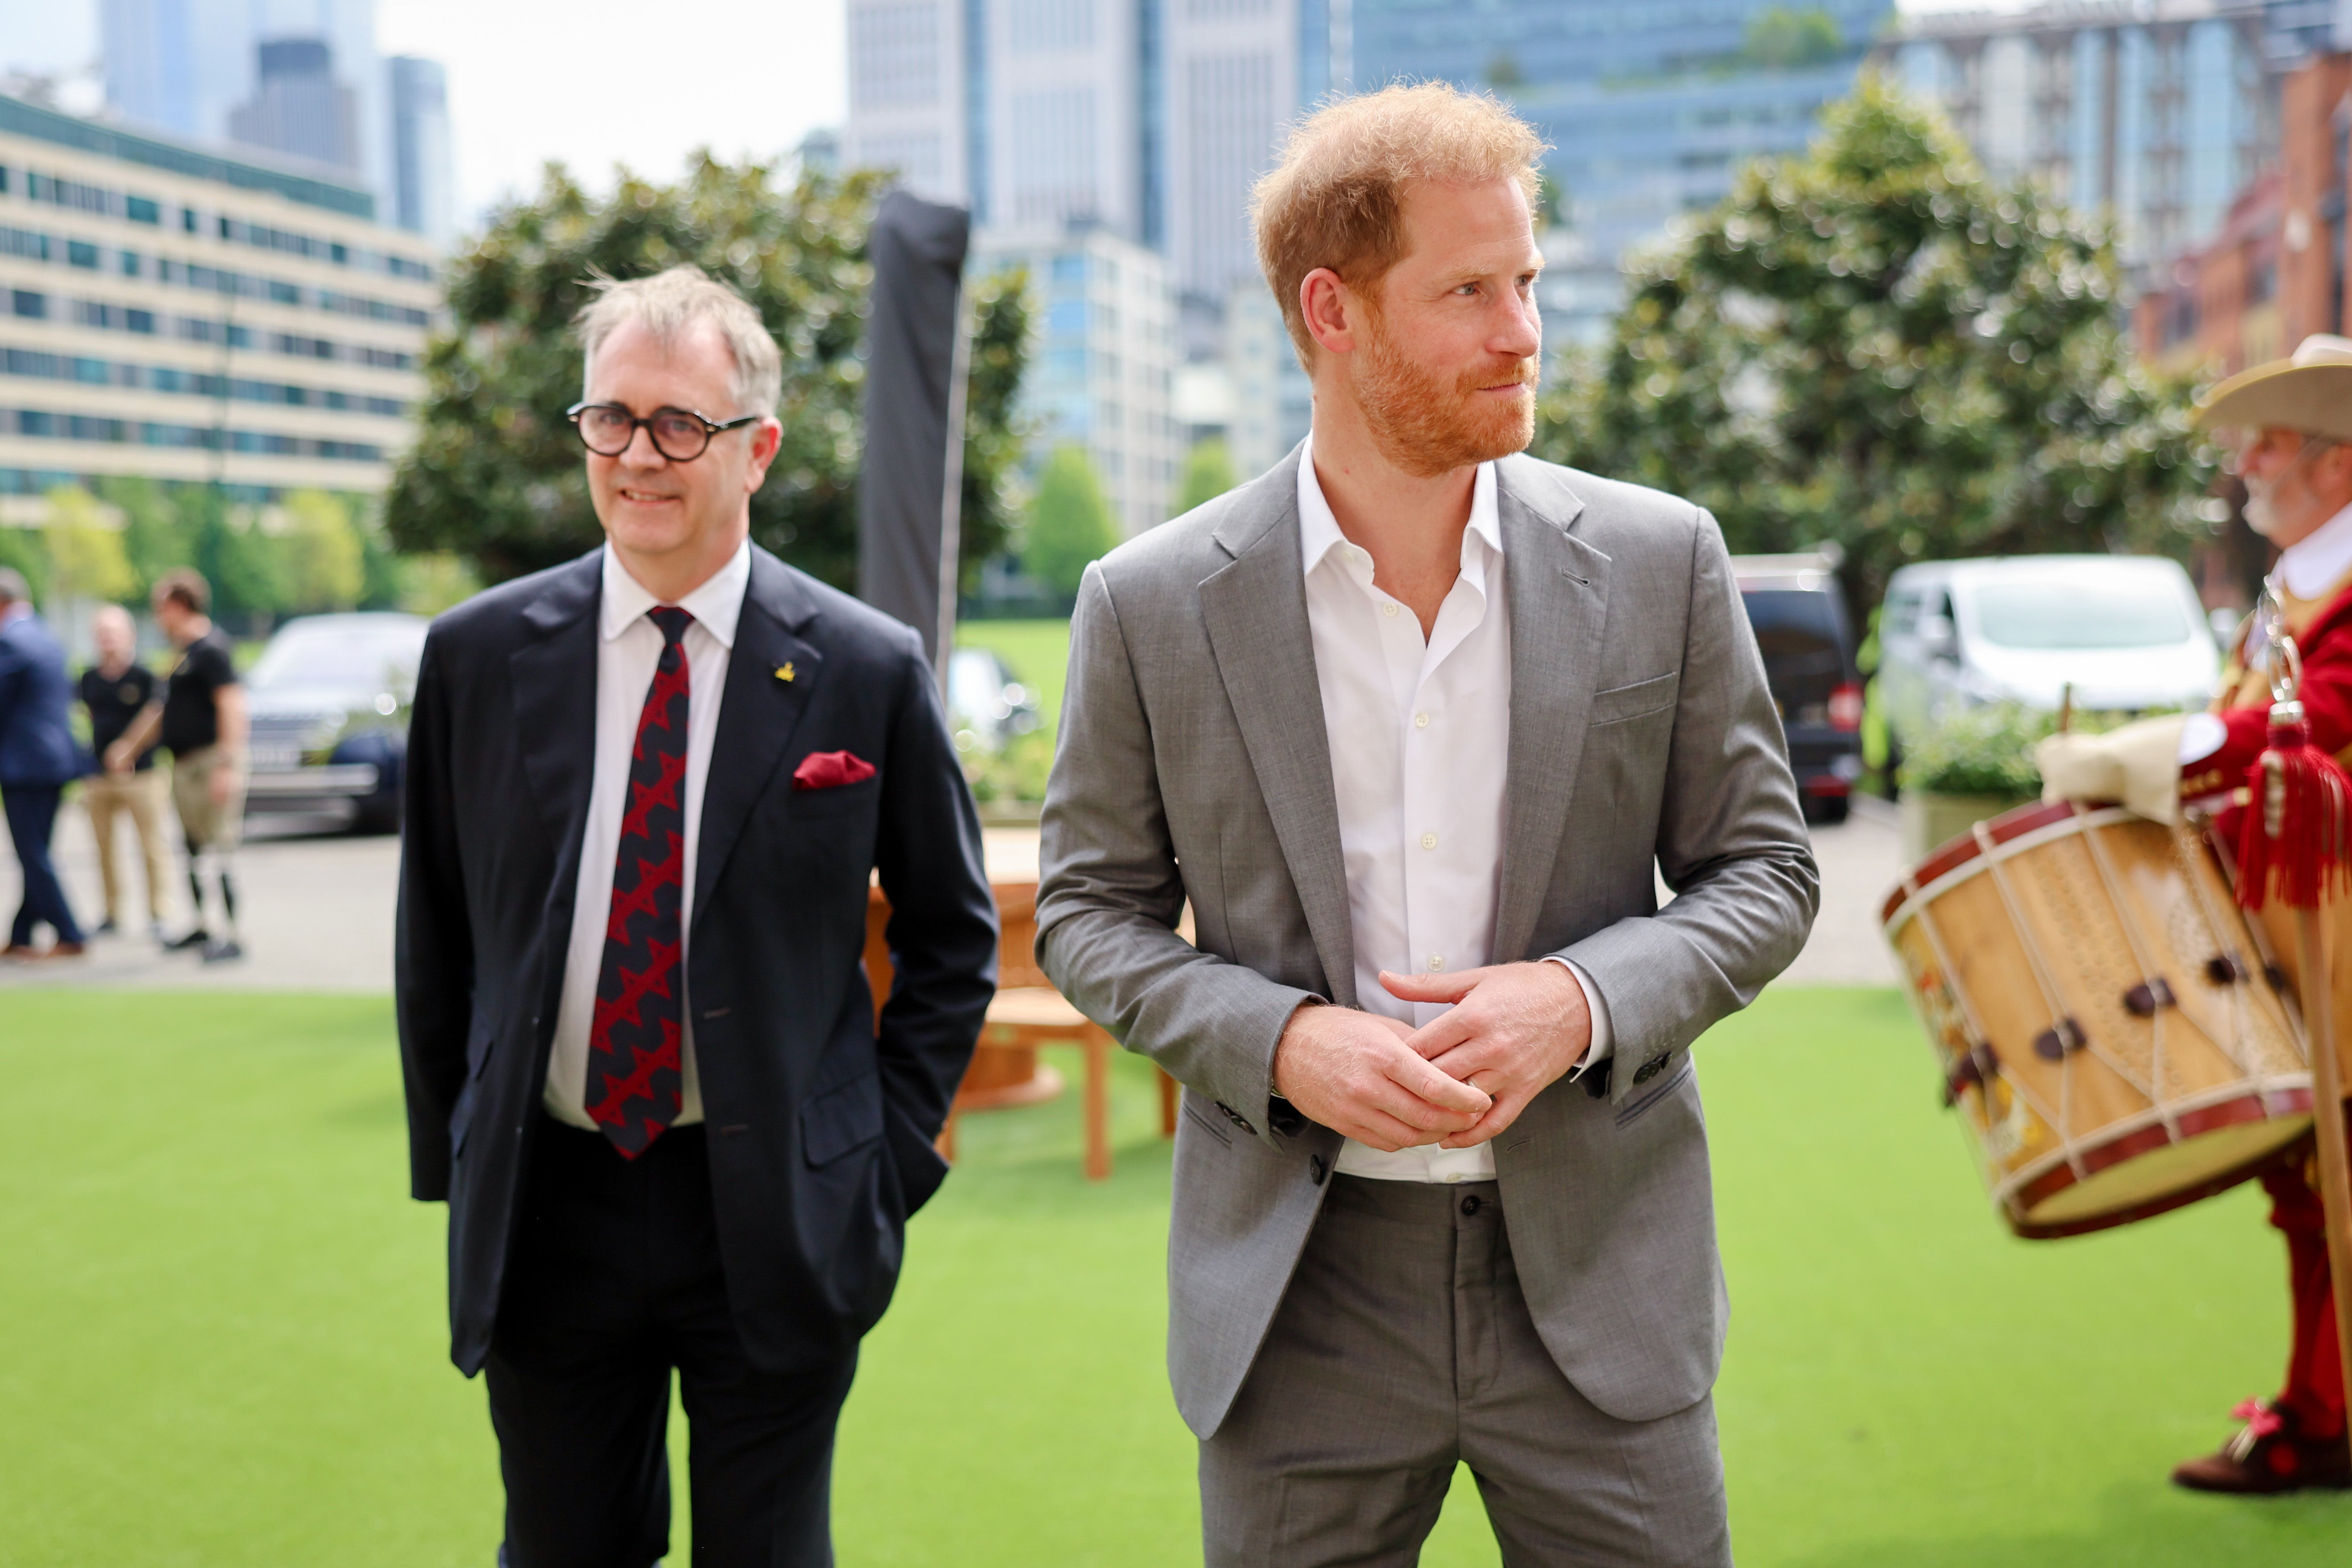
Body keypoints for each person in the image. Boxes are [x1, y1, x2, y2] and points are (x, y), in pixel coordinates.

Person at [1035, 85, 1818, 1564]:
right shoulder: (1145, 602)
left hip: (1599, 1274)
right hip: (1295, 1294)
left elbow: (1763, 869)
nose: (1520, 329)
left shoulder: (1662, 558)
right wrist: (1277, 1038)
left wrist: (1577, 1000)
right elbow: (1087, 913)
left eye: (1523, 281)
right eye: (1465, 290)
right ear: (1331, 311)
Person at [396, 264, 996, 1567]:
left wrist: (879, 1159)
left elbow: (953, 940)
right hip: (551, 1204)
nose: (639, 455)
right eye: (610, 418)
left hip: (776, 1207)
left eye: (680, 423)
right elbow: (435, 933)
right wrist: (458, 1148)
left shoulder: (865, 666)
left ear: (757, 448)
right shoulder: (478, 657)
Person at [2040, 332, 2352, 1494]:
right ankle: (2322, 1399)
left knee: (2336, 1174)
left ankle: (2324, 1415)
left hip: (2338, 929)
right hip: (2302, 924)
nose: (2245, 461)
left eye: (2270, 442)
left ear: (2332, 462)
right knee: (2312, 1180)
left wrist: (2143, 752)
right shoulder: (2303, 578)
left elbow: (2304, 723)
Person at [106, 568, 246, 963]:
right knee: (195, 847)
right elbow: (161, 709)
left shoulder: (212, 650)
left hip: (209, 760)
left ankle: (232, 932)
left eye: (161, 608)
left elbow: (232, 705)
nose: (157, 616)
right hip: (183, 763)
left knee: (220, 846)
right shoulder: (180, 655)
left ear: (180, 606)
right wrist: (129, 747)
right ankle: (203, 924)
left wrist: (228, 765)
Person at [0, 567, 87, 958]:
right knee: (37, 850)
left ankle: (70, 932)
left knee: (33, 853)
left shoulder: (11, 641)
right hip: (54, 760)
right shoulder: (46, 637)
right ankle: (21, 934)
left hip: (25, 764)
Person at [78, 604, 171, 940]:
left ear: (129, 636)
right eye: (102, 634)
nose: (107, 640)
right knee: (104, 847)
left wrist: (129, 749)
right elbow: (86, 717)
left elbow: (157, 717)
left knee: (151, 844)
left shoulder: (145, 677)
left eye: (113, 633)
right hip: (100, 774)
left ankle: (159, 911)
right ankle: (111, 910)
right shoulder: (89, 679)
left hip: (142, 772)